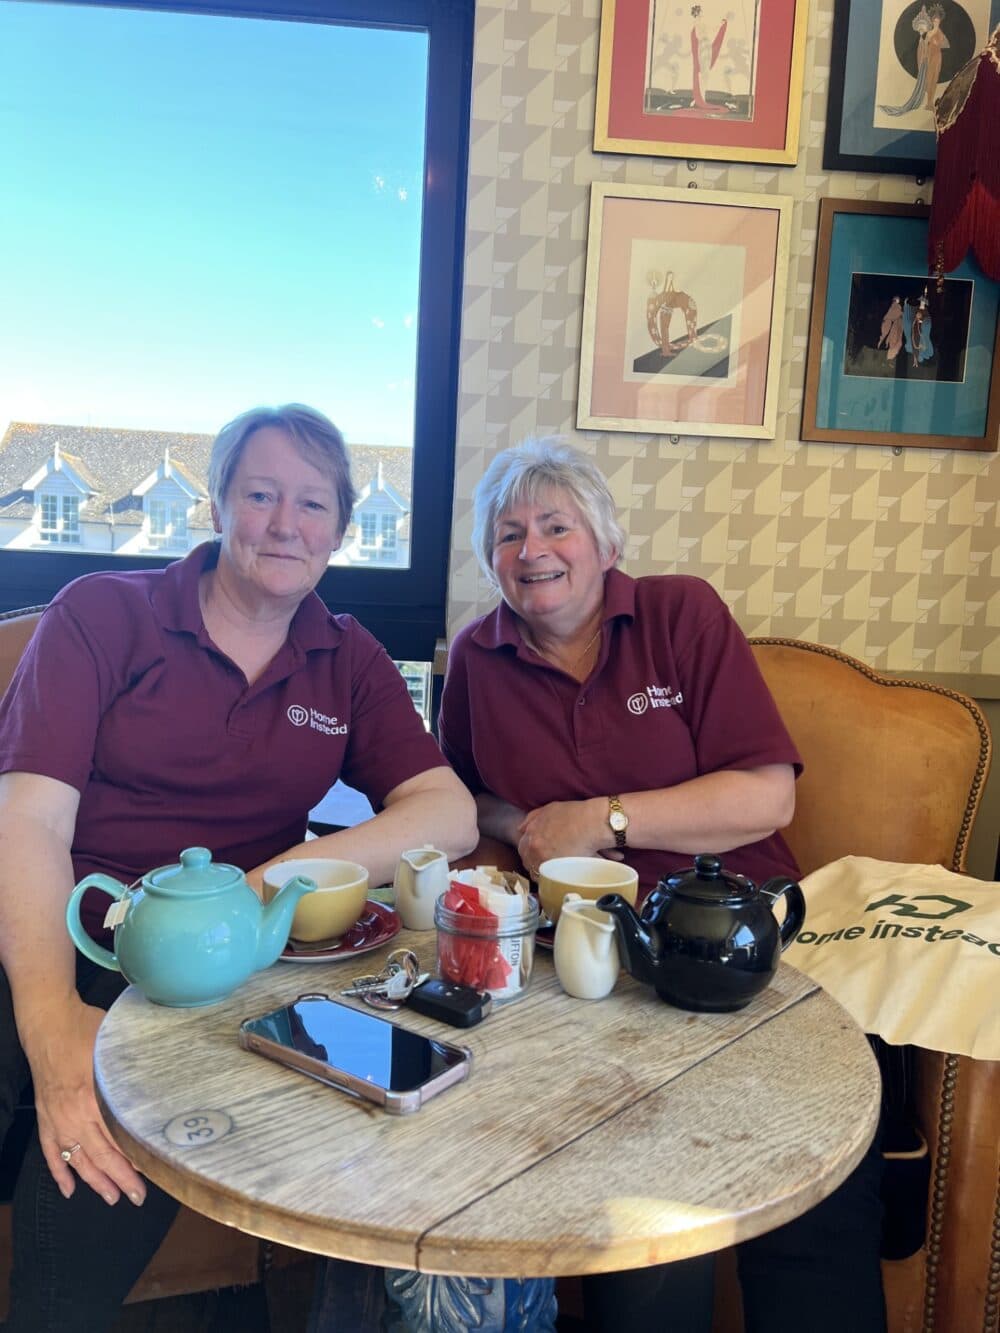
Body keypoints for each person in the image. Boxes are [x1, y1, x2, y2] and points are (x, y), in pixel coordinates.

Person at [0, 403, 477, 1332]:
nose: (284, 523)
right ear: (218, 504)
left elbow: (447, 809)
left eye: (312, 504)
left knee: (83, 1224)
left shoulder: (345, 655)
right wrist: (53, 1025)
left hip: (207, 978)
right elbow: (28, 822)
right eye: (260, 494)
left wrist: (277, 877)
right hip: (58, 936)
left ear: (341, 530)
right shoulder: (102, 612)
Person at [437, 438, 887, 1333]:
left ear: (606, 541)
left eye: (557, 525)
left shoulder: (682, 614)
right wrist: (524, 825)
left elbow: (767, 793)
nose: (533, 549)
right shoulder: (477, 657)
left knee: (807, 1182)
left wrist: (602, 817)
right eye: (509, 533)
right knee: (635, 1206)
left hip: (733, 940)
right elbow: (455, 799)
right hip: (582, 961)